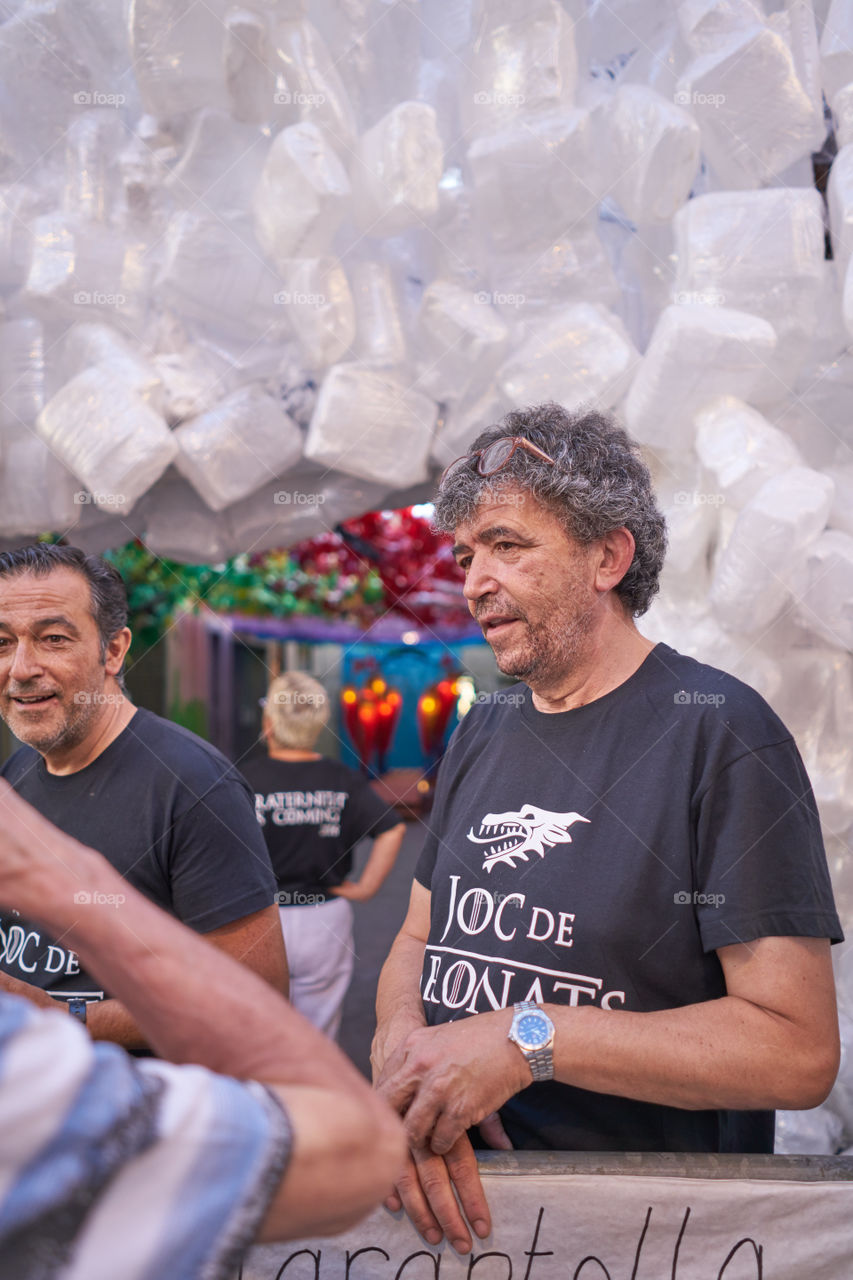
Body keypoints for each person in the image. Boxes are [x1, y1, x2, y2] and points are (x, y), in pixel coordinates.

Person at [372, 402, 843, 1255]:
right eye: (466, 554)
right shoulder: (485, 725)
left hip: (637, 1236)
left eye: (508, 545)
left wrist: (526, 1041)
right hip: (459, 1225)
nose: (475, 579)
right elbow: (418, 935)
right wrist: (399, 1049)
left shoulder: (721, 732)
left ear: (607, 555)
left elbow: (795, 1051)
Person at [0, 779, 405, 1278]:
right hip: (319, 924)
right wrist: (63, 881)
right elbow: (355, 1147)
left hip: (288, 930)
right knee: (315, 1032)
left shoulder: (204, 782)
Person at [0, 544, 287, 1047]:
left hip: (137, 1112)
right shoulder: (19, 769)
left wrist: (64, 1017)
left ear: (113, 651)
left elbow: (258, 993)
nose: (21, 668)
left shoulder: (195, 786)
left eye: (53, 639)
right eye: (1, 643)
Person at [243, 671, 405, 1038]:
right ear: (318, 723)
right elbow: (392, 828)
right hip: (324, 919)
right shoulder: (341, 777)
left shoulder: (243, 779)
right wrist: (365, 887)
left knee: (258, 1031)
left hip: (259, 919)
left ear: (269, 722)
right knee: (316, 1035)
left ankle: (264, 1094)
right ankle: (314, 1093)